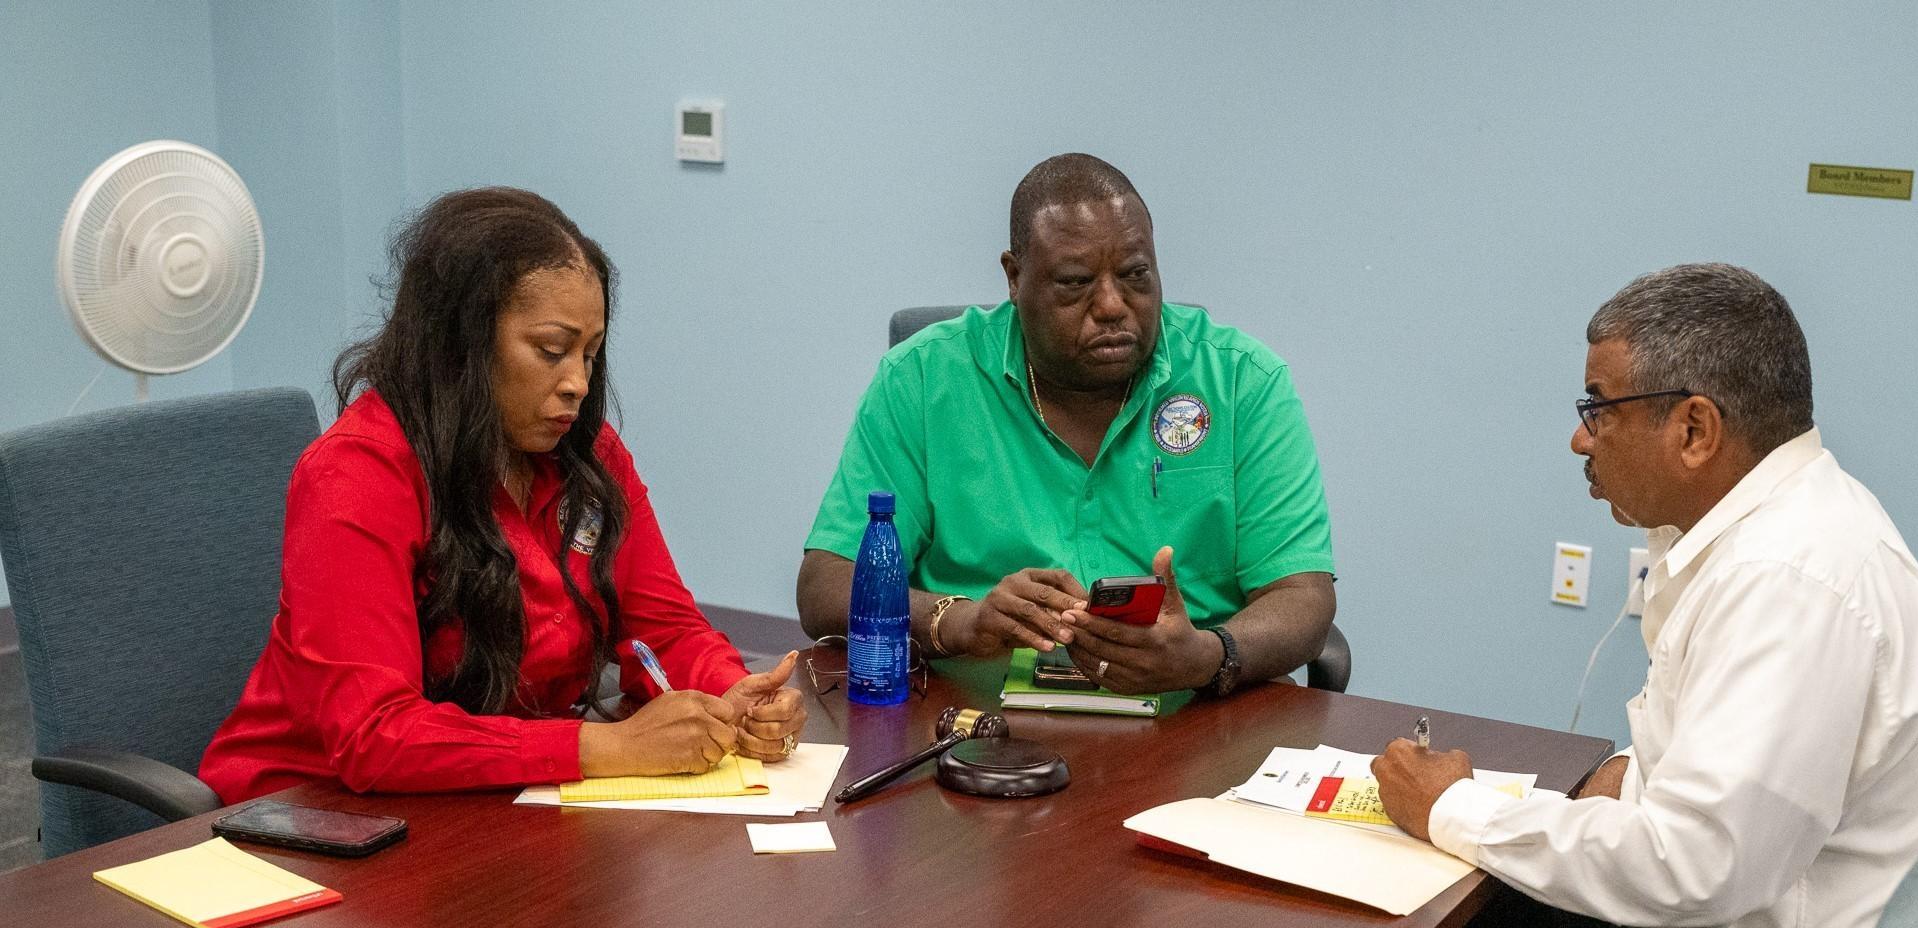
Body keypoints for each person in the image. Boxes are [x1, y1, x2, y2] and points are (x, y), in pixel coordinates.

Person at [1266, 264, 1918, 928]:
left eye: (1599, 408)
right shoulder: (1770, 526)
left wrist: (1457, 809)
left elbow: (1700, 867)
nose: (1581, 440)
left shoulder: (1788, 580)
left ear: (1694, 428)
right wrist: (1636, 777)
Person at [199, 187, 805, 802]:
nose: (577, 384)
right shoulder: (356, 473)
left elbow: (665, 628)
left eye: (590, 355)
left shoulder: (590, 456)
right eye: (551, 350)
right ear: (463, 343)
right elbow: (374, 735)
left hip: (489, 802)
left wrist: (732, 692)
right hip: (308, 816)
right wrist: (604, 747)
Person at [796, 153, 1335, 697]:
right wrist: (963, 622)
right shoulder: (922, 379)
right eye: (1075, 282)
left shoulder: (1243, 381)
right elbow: (826, 585)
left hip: (1197, 715)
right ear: (1014, 276)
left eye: (1135, 276)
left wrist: (1208, 656)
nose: (1111, 305)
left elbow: (1304, 597)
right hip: (975, 724)